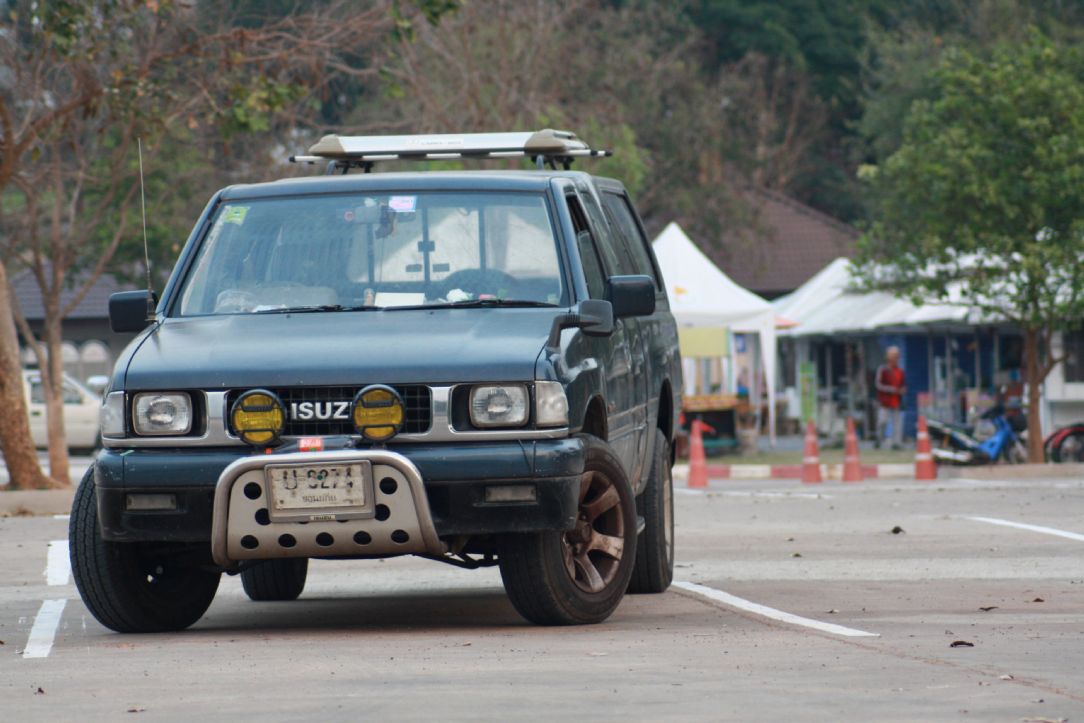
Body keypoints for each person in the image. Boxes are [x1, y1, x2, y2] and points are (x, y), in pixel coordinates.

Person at [875, 346, 906, 449]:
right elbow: (878, 385)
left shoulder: (900, 371)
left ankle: (896, 443)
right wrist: (891, 389)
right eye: (893, 356)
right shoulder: (883, 369)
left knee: (897, 423)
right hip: (884, 401)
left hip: (896, 401)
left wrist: (902, 390)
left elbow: (903, 385)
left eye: (896, 356)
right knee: (882, 421)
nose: (895, 359)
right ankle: (878, 440)